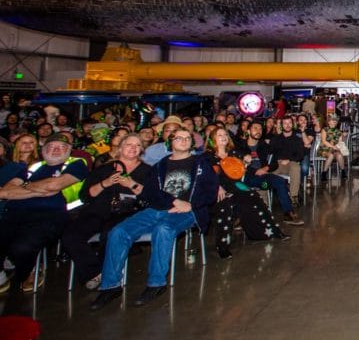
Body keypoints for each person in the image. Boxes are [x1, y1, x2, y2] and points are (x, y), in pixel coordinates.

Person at [91, 128, 219, 310]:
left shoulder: (201, 164)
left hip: (188, 211)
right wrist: (174, 200)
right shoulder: (159, 166)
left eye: (187, 138)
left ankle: (156, 283)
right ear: (170, 143)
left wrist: (191, 205)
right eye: (178, 138)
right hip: (156, 209)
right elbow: (150, 193)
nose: (183, 141)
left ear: (192, 143)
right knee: (118, 231)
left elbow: (210, 191)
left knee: (163, 229)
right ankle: (110, 286)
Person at [62, 134, 152, 290]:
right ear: (120, 148)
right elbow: (86, 195)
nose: (133, 148)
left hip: (128, 211)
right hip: (97, 211)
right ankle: (95, 272)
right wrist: (105, 183)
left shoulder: (148, 171)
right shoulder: (103, 169)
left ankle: (105, 275)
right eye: (129, 144)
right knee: (70, 236)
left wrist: (132, 184)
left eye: (137, 145)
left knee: (110, 234)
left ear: (142, 150)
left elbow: (152, 198)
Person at [0, 135, 89, 292]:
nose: (55, 149)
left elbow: (55, 185)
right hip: (13, 214)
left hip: (50, 216)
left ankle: (25, 274)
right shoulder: (30, 168)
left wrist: (25, 187)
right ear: (43, 150)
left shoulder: (76, 164)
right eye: (51, 146)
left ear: (69, 150)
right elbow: (5, 192)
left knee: (22, 248)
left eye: (61, 147)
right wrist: (40, 190)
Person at [207, 127, 289, 259]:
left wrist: (246, 162)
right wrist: (217, 187)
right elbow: (207, 176)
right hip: (218, 189)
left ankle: (273, 231)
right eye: (219, 135)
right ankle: (223, 246)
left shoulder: (233, 153)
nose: (223, 137)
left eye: (225, 135)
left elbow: (244, 168)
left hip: (236, 185)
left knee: (254, 196)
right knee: (224, 207)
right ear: (212, 139)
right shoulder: (208, 157)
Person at [268, 116, 306, 207]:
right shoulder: (276, 138)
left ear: (292, 124)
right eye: (285, 123)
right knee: (265, 173)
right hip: (277, 163)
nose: (287, 125)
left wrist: (289, 159)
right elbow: (270, 151)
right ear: (282, 125)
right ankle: (264, 200)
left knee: (296, 167)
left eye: (289, 123)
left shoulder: (297, 137)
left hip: (291, 162)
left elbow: (301, 154)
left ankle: (294, 197)